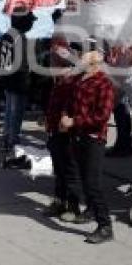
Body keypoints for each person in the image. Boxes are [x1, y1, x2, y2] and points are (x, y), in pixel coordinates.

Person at [59, 41, 116, 244]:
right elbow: (70, 103)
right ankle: (91, 211)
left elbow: (102, 116)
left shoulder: (104, 84)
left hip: (93, 139)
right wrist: (65, 117)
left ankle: (105, 226)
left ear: (95, 58)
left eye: (84, 53)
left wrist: (74, 120)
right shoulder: (80, 80)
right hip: (77, 136)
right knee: (83, 178)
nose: (79, 56)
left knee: (93, 184)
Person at [43, 41, 83, 221]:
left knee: (69, 171)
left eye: (54, 61)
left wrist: (66, 121)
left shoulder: (72, 82)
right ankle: (59, 201)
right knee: (59, 170)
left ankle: (73, 207)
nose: (50, 64)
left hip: (67, 132)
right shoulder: (59, 80)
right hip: (54, 130)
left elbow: (73, 108)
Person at [0, 7, 36, 151]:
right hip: (18, 79)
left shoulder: (7, 35)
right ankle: (13, 140)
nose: (31, 24)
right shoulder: (20, 37)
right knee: (16, 111)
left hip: (7, 78)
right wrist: (27, 81)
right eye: (29, 21)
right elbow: (23, 63)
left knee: (9, 110)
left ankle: (7, 137)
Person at [106, 91, 132, 157]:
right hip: (123, 100)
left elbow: (120, 89)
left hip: (121, 101)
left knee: (122, 125)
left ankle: (122, 149)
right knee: (125, 122)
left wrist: (115, 102)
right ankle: (126, 147)